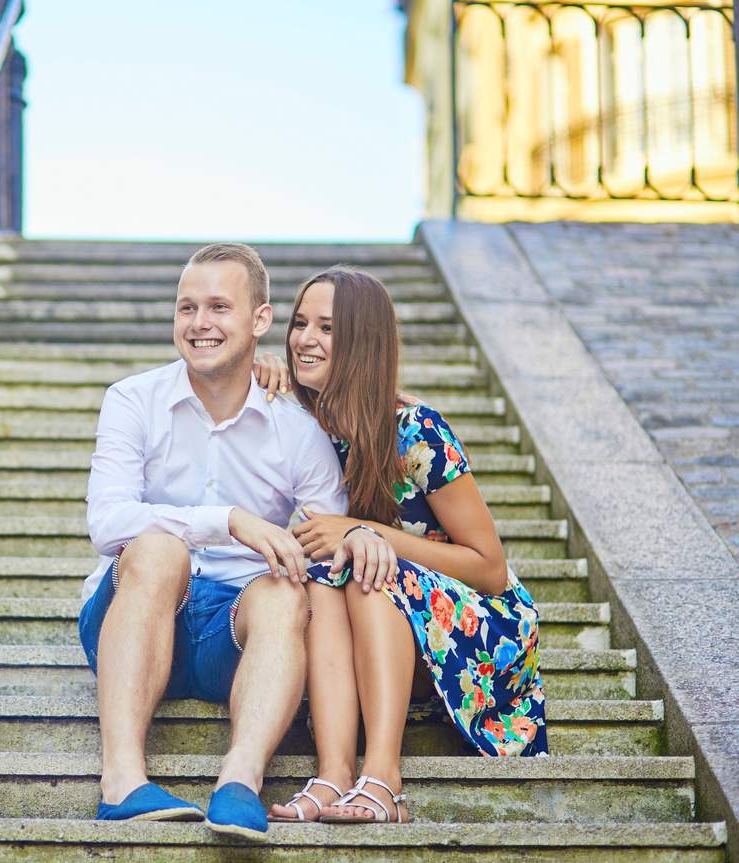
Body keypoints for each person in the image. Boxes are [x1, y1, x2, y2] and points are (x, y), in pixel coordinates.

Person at [80, 244, 395, 842]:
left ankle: (240, 783)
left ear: (259, 321)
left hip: (238, 636)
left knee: (284, 587)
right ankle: (121, 781)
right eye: (187, 308)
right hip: (137, 617)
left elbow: (326, 541)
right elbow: (109, 522)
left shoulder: (297, 430)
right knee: (153, 547)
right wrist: (228, 520)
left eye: (219, 307)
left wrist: (358, 532)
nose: (199, 324)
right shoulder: (133, 399)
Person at [250, 266, 548, 826]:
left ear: (364, 341)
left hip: (477, 629)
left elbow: (490, 568)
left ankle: (385, 778)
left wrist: (368, 534)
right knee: (329, 579)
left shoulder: (415, 430)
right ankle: (335, 774)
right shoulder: (301, 418)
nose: (304, 339)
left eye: (328, 328)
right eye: (298, 324)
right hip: (373, 622)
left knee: (367, 565)